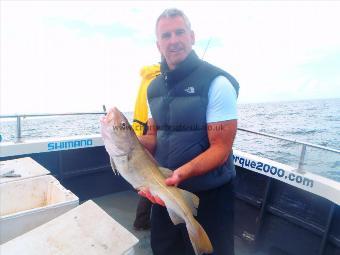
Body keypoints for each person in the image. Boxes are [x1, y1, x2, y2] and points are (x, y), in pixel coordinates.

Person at [138, 8, 239, 255]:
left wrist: (181, 173)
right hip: (165, 191)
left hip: (209, 195)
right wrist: (128, 145)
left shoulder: (216, 82)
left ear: (192, 37)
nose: (173, 40)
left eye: (179, 32)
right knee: (164, 250)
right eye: (166, 35)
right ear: (158, 44)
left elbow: (221, 148)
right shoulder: (153, 88)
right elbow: (155, 134)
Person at [131, 63, 160, 230]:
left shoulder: (146, 80)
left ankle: (141, 220)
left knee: (147, 181)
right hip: (151, 135)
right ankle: (142, 220)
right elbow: (152, 118)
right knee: (153, 181)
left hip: (141, 133)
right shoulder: (157, 82)